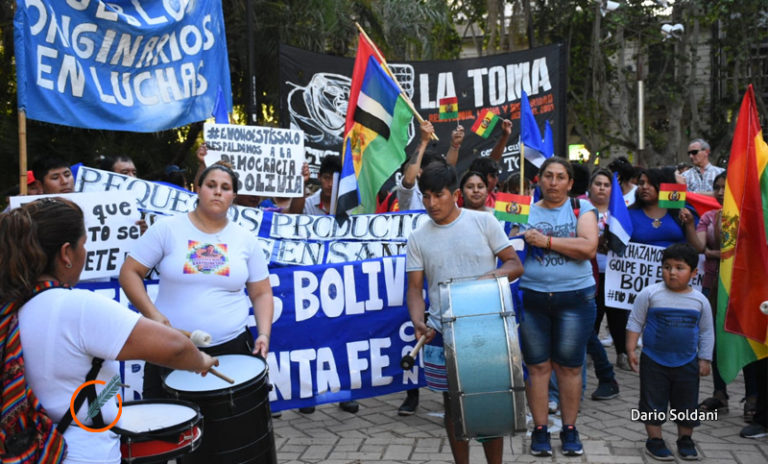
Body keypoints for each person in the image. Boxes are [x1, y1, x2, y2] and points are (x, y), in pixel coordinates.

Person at [1, 198, 217, 464]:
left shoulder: (12, 306)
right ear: (66, 253)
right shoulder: (75, 307)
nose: (86, 251)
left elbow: (60, 386)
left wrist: (108, 388)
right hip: (81, 453)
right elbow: (176, 347)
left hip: (31, 449)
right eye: (84, 244)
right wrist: (201, 361)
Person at [119, 162, 274, 400]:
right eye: (211, 185)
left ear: (233, 195)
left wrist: (264, 334)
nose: (218, 192)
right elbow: (130, 272)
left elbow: (262, 292)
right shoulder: (166, 229)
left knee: (227, 428)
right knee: (168, 425)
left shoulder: (246, 239)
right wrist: (153, 315)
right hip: (170, 347)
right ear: (198, 188)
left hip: (231, 349)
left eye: (225, 187)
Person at [406, 162, 523, 464]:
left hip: (487, 330)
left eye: (438, 195)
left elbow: (514, 264)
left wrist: (490, 277)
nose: (431, 203)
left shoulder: (484, 222)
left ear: (455, 194)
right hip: (442, 331)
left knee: (490, 402)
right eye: (425, 196)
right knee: (453, 406)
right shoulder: (418, 237)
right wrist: (417, 320)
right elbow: (415, 288)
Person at [518, 157, 598, 457]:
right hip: (531, 298)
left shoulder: (581, 208)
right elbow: (506, 246)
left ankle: (569, 429)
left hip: (575, 299)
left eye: (560, 177)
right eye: (548, 176)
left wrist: (546, 241)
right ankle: (540, 429)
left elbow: (588, 248)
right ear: (538, 180)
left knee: (569, 367)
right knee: (537, 366)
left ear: (570, 183)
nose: (553, 182)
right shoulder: (523, 209)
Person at [626, 243, 714, 461]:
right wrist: (630, 349)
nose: (672, 272)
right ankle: (654, 440)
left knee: (686, 402)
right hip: (654, 360)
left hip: (687, 362)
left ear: (694, 272)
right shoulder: (650, 294)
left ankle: (685, 439)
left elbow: (706, 331)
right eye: (666, 267)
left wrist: (705, 359)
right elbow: (635, 321)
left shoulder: (700, 300)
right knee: (652, 401)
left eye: (679, 267)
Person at [692, 172, 760, 420]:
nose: (721, 192)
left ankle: (753, 396)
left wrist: (717, 253)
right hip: (714, 286)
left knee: (747, 340)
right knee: (717, 340)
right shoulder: (710, 217)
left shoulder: (753, 217)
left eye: (726, 187)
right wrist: (689, 225)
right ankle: (720, 394)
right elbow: (699, 246)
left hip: (745, 289)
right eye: (717, 187)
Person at [584, 168, 621, 398]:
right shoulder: (580, 208)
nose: (601, 188)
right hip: (587, 273)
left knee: (596, 324)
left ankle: (611, 369)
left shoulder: (620, 212)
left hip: (606, 275)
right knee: (588, 324)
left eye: (606, 185)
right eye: (597, 183)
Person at [629, 168, 698, 249]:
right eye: (641, 183)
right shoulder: (628, 214)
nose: (644, 187)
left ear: (662, 186)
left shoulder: (681, 212)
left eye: (651, 183)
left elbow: (697, 248)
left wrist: (689, 224)